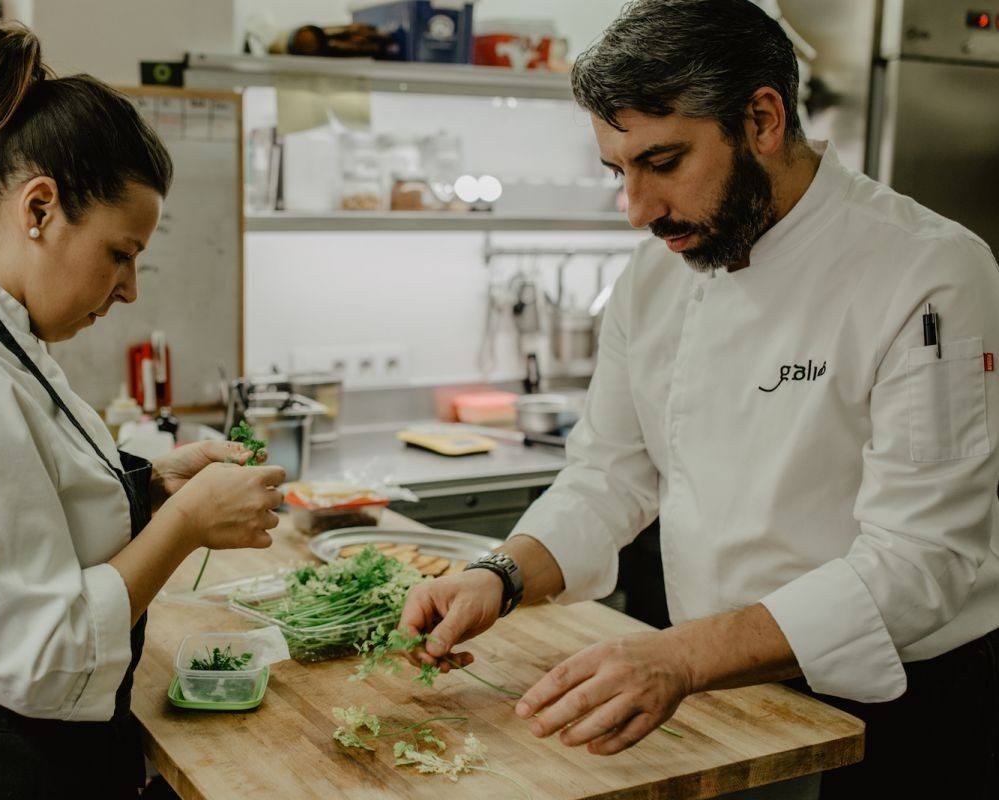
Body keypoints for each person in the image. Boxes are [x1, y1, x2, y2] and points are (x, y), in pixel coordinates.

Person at [400, 1, 999, 796]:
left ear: (762, 119)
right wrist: (498, 575)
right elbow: (608, 474)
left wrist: (680, 656)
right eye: (618, 172)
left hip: (893, 712)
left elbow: (920, 561)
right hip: (713, 690)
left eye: (663, 161)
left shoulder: (927, 271)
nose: (637, 211)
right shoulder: (655, 276)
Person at [0, 20, 286, 800]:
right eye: (121, 254)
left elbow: (29, 505)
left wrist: (156, 487)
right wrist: (185, 527)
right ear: (40, 209)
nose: (129, 289)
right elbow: (40, 656)